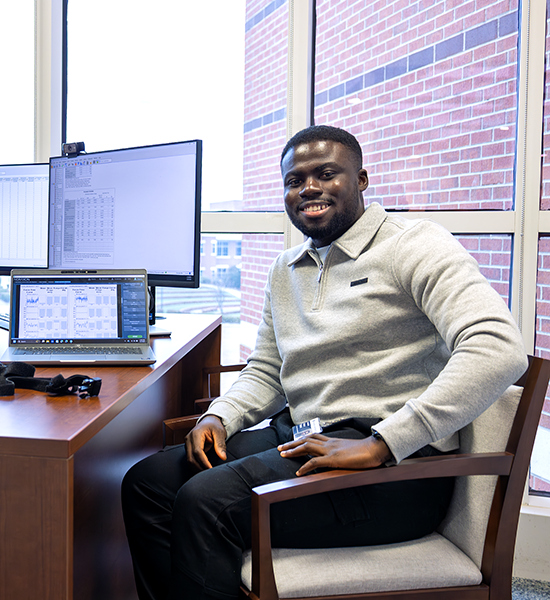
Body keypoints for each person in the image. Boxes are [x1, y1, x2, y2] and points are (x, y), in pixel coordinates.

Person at [121, 125, 528, 600]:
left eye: (326, 173)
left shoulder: (413, 245)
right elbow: (268, 370)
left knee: (206, 503)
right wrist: (220, 415)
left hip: (390, 470)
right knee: (147, 484)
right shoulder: (285, 269)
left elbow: (498, 347)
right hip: (304, 436)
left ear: (362, 179)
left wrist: (383, 442)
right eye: (294, 180)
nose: (308, 188)